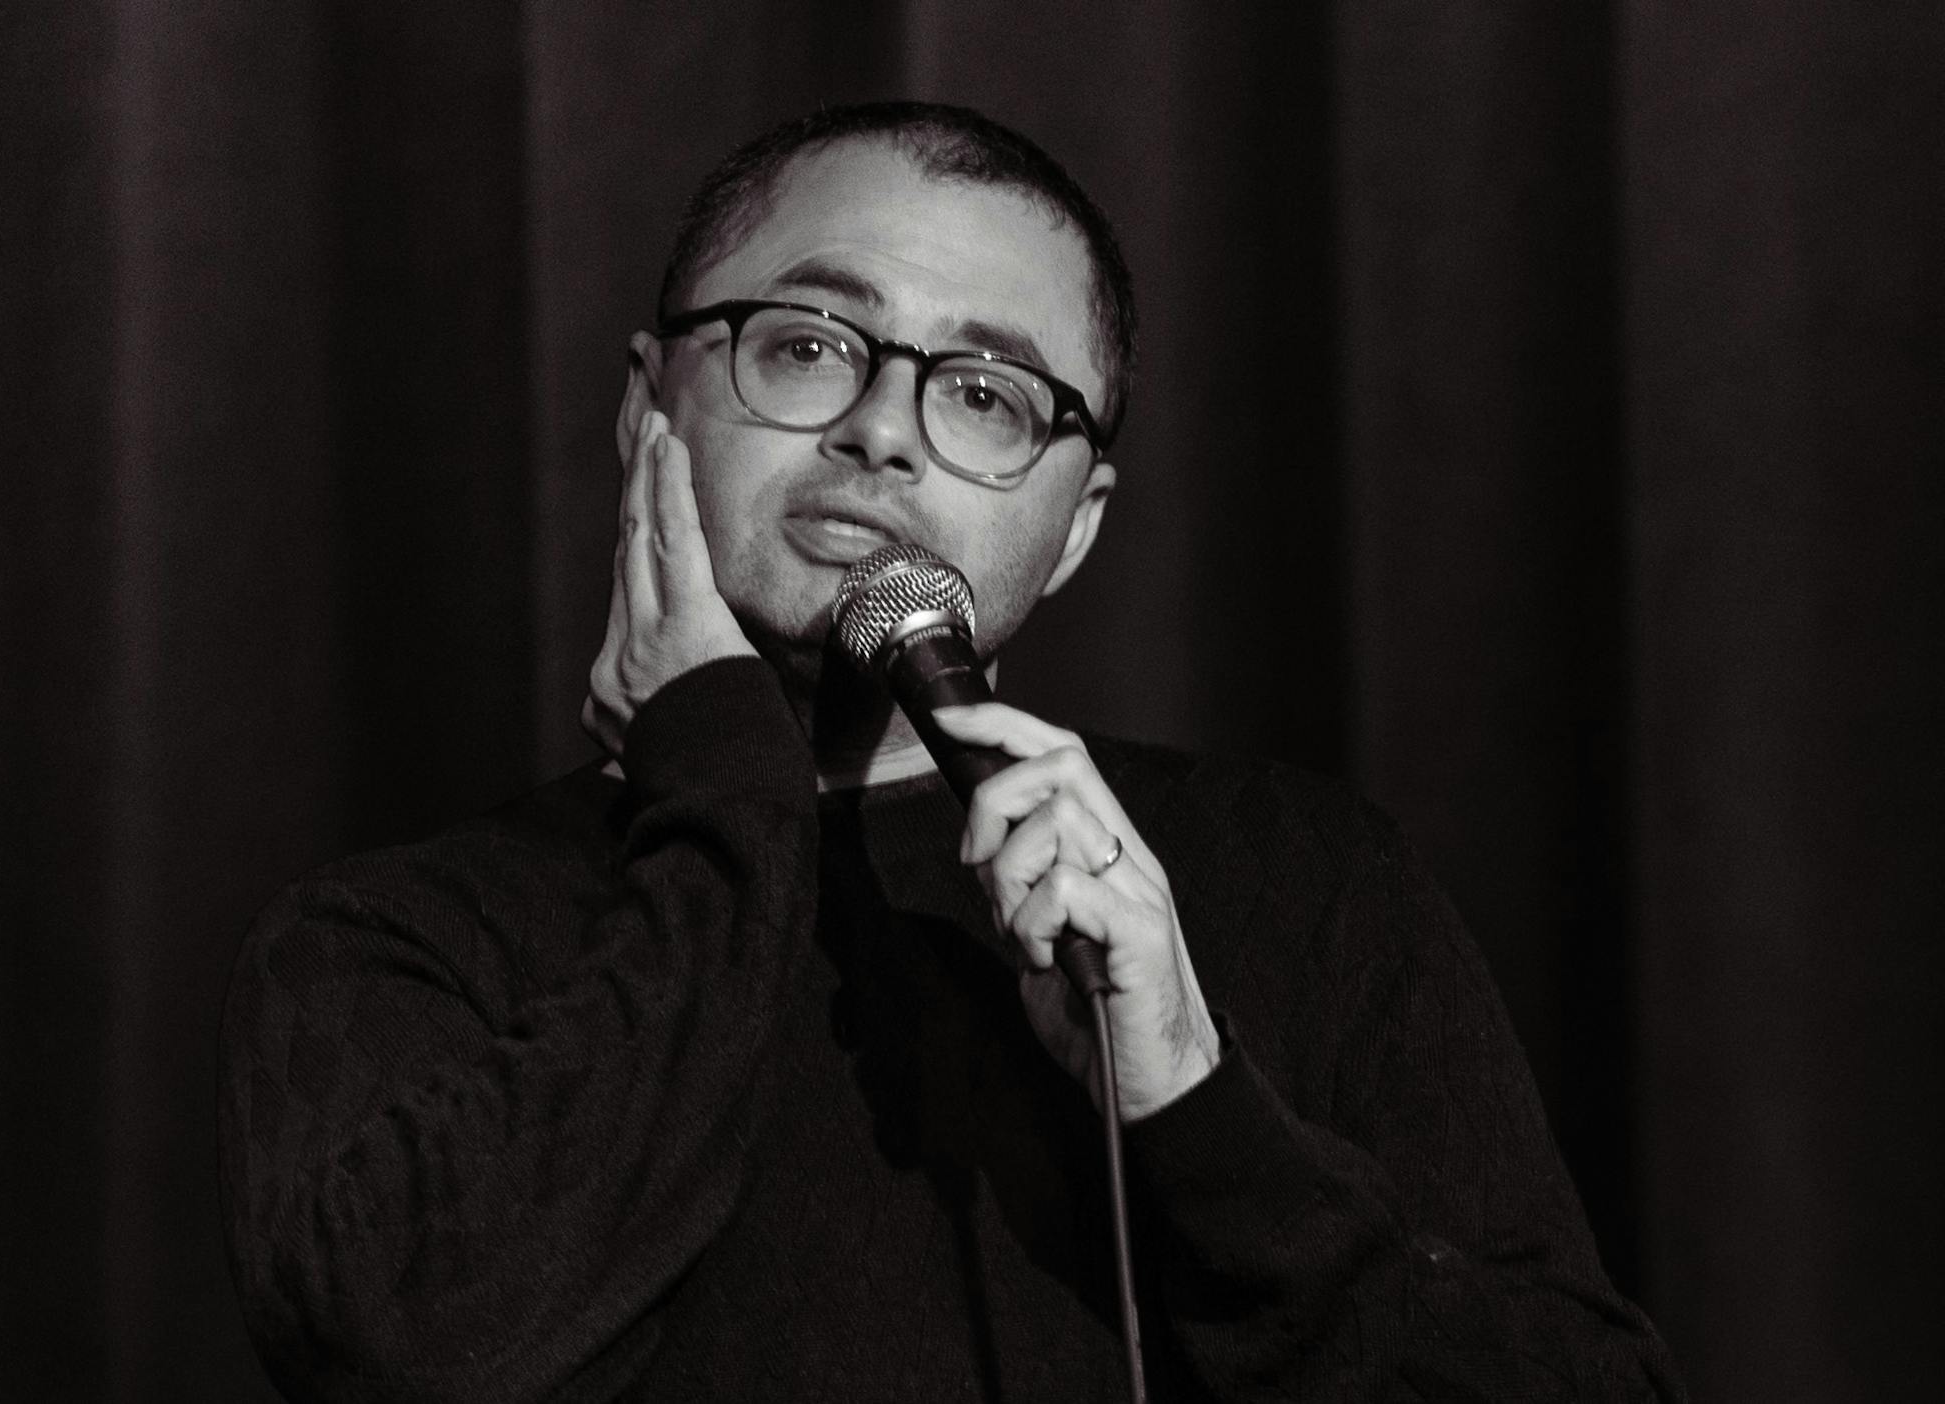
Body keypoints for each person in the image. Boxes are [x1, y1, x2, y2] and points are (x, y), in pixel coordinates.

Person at [218, 101, 1684, 1401]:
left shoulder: (1305, 885)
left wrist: (1190, 1100)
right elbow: (400, 1353)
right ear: (646, 408)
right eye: (806, 347)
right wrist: (727, 799)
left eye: (984, 394)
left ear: (1079, 525)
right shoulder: (392, 937)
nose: (882, 433)